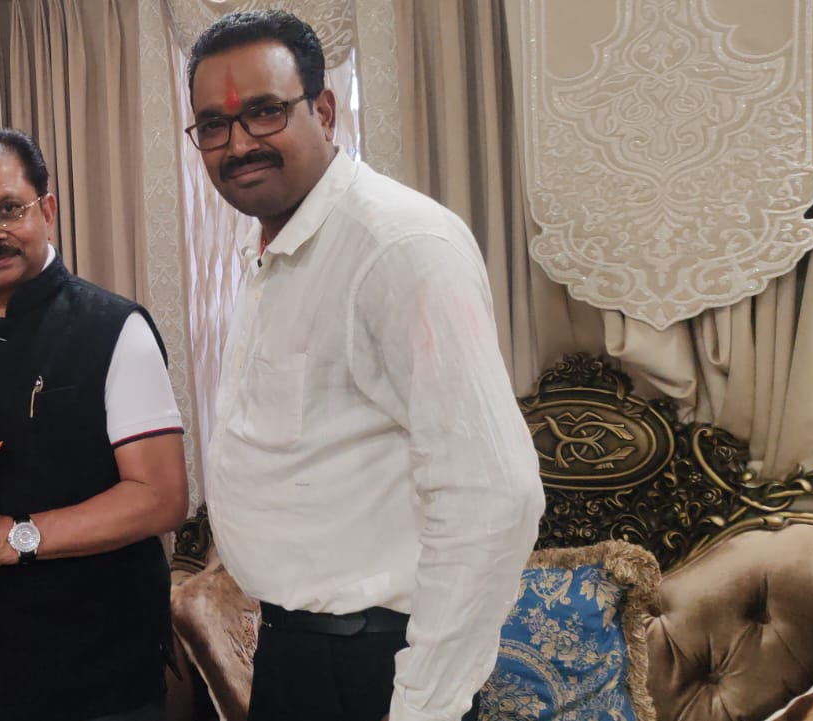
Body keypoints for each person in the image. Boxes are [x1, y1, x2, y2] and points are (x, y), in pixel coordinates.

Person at [186, 11, 546, 721]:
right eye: (214, 125)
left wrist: (423, 703)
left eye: (264, 111)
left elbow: (494, 495)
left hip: (374, 668)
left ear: (324, 110)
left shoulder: (398, 246)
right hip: (296, 652)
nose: (240, 143)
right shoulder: (275, 253)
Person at [0, 128, 189, 721]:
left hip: (100, 678)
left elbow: (161, 498)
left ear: (46, 210)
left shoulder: (113, 327)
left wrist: (8, 538)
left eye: (8, 209)